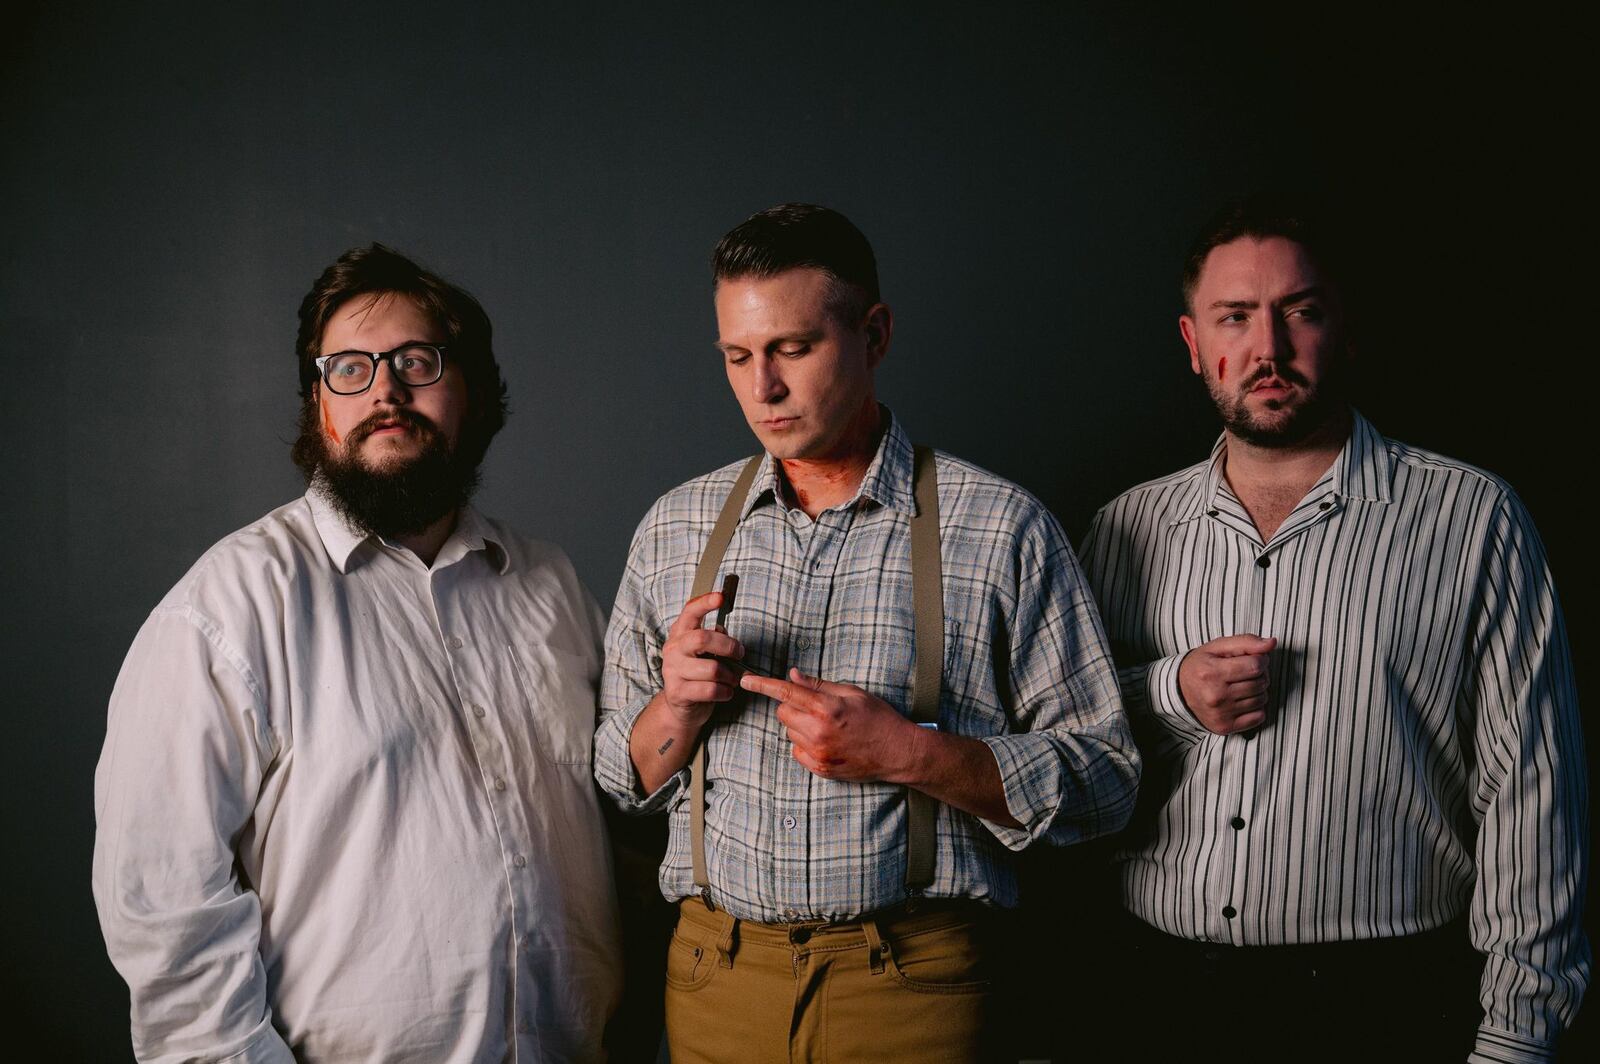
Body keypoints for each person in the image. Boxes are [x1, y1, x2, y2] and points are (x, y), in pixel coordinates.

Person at [594, 202, 1140, 1063]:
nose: (762, 388)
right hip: (714, 978)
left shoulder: (1001, 527)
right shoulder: (676, 527)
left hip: (913, 985)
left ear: (875, 334)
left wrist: (906, 752)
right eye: (738, 356)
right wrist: (676, 709)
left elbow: (1108, 780)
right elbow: (623, 781)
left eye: (793, 349)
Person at [1079, 195, 1589, 1062]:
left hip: (1384, 1006)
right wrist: (1170, 692)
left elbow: (1532, 794)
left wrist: (1516, 1041)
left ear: (1344, 329)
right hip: (1155, 994)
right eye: (1234, 317)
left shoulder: (1472, 518)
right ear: (1194, 343)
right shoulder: (1126, 529)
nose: (1268, 348)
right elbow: (1059, 745)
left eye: (1300, 313)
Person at [92, 245, 622, 1061]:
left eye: (417, 360)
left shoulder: (552, 587)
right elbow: (163, 906)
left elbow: (627, 821)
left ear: (470, 390)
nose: (385, 390)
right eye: (348, 367)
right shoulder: (230, 608)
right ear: (317, 404)